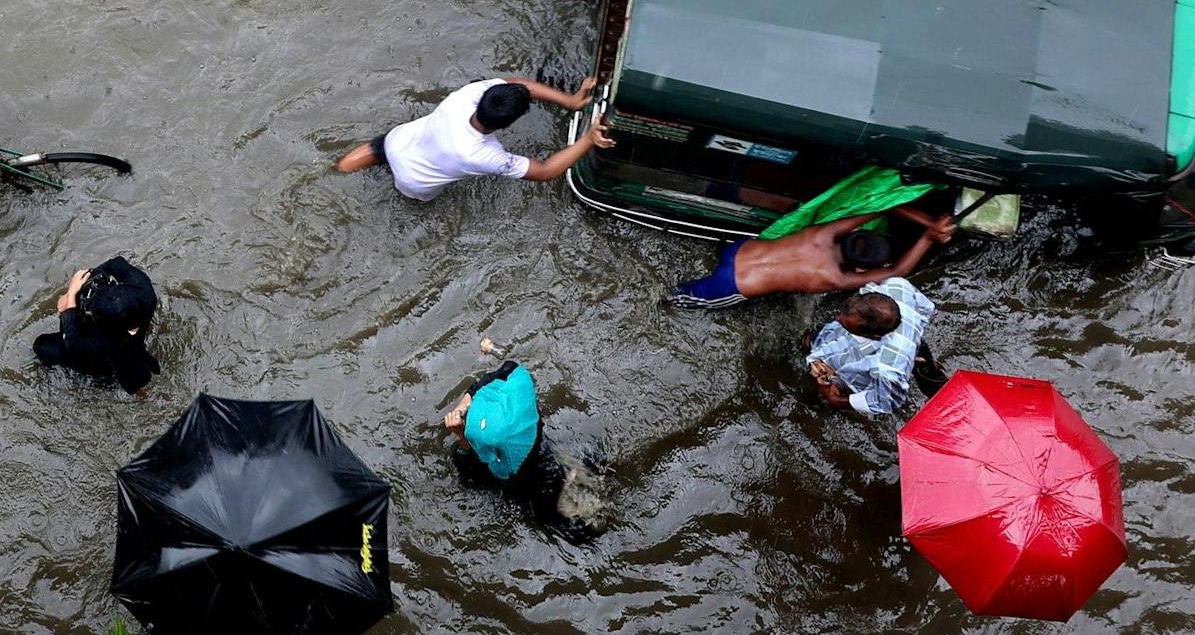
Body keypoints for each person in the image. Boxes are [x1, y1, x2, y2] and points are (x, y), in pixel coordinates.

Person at [334, 76, 614, 201]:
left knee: (376, 150)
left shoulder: (466, 96)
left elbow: (516, 82)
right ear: (506, 125)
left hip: (399, 141)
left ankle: (335, 172)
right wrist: (587, 140)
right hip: (413, 180)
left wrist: (569, 100)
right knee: (413, 200)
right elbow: (544, 171)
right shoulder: (482, 155)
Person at [669, 204, 955, 309]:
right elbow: (896, 273)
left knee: (673, 292)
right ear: (860, 268)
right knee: (675, 302)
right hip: (732, 284)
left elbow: (883, 206)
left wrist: (929, 222)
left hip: (741, 249)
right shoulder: (833, 277)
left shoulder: (826, 233)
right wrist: (928, 238)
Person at [444, 360, 571, 525]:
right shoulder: (531, 426)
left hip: (538, 502)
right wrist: (465, 405)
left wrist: (461, 436)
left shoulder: (500, 474)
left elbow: (466, 463)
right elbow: (508, 369)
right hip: (556, 466)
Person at [805, 276, 939, 417]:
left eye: (845, 324)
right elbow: (926, 308)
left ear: (872, 336)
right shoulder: (897, 286)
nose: (837, 319)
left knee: (822, 396)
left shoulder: (886, 369)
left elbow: (887, 401)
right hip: (901, 348)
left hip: (858, 371)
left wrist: (839, 401)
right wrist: (910, 345)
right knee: (810, 340)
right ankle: (924, 366)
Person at [32, 257, 161, 394]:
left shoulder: (102, 341)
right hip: (131, 340)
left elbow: (73, 343)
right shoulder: (144, 291)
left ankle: (105, 381)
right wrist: (90, 275)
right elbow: (114, 263)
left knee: (41, 345)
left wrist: (69, 301)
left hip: (106, 357)